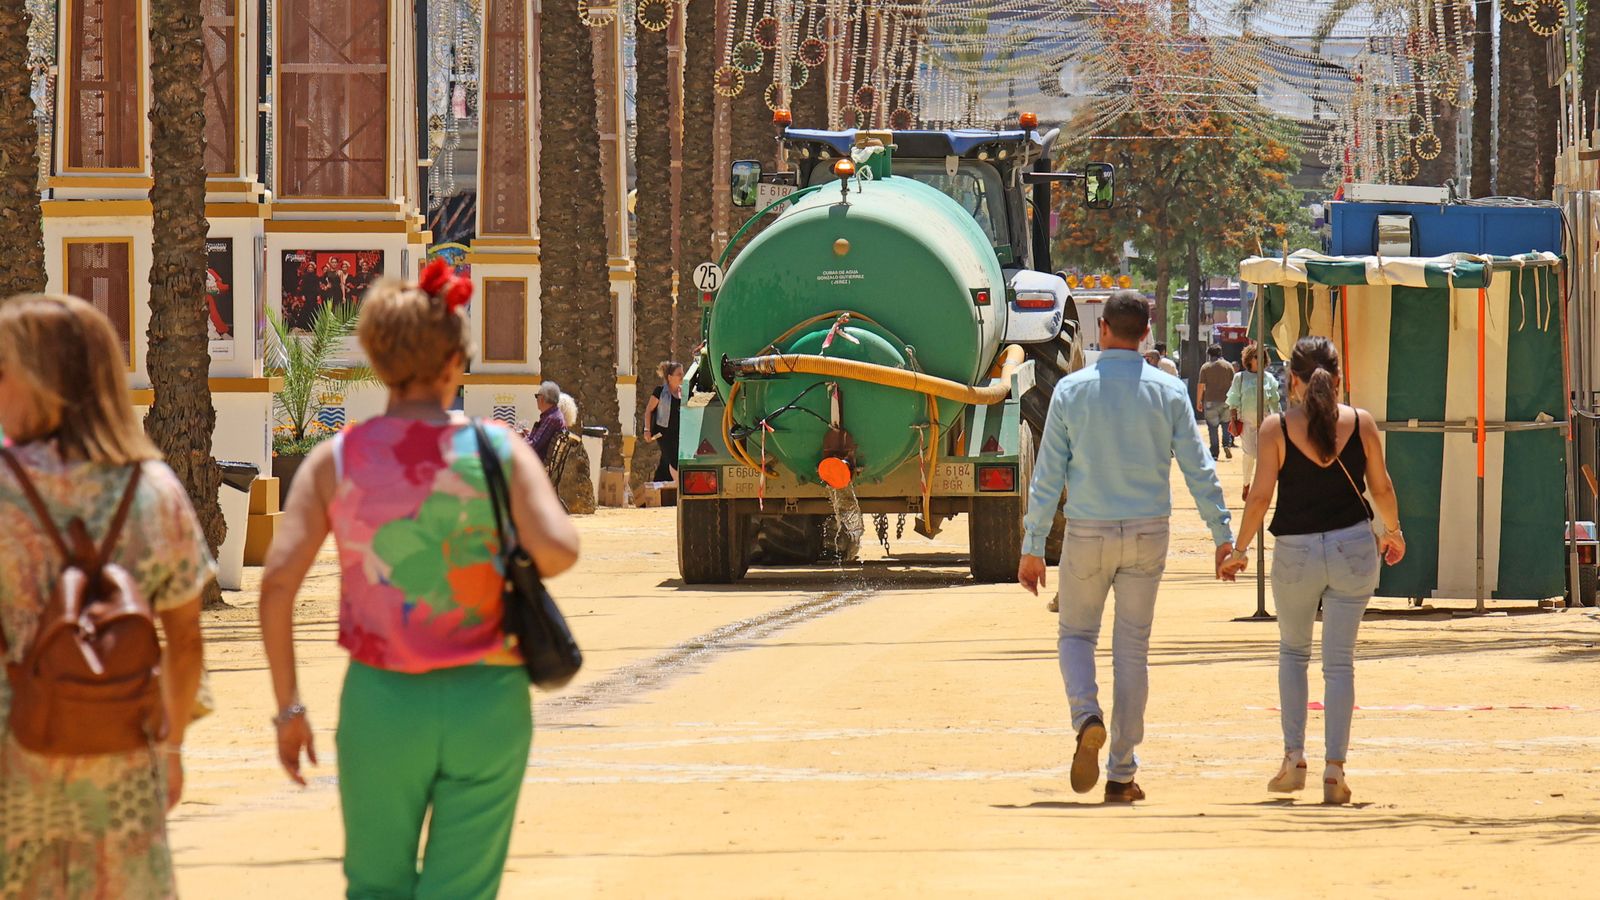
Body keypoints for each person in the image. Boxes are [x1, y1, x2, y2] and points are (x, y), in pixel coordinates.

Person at [259, 264, 580, 897]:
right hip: (488, 701)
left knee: (376, 887)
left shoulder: (337, 459)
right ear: (457, 361)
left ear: (377, 361)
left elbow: (276, 585)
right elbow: (559, 550)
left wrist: (290, 707)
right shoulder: (498, 451)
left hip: (382, 704)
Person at [0, 294, 211, 897]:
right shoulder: (155, 490)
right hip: (122, 766)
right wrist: (169, 749)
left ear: (44, 381)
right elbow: (187, 641)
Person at [1018, 290, 1237, 804]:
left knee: (1075, 635)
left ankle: (1085, 716)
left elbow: (1048, 474)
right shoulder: (1168, 390)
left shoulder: (1072, 390)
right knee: (1132, 649)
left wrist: (1032, 544)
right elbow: (1199, 468)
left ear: (1103, 331)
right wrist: (1221, 535)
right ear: (1145, 333)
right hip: (1147, 532)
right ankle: (1121, 773)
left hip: (1088, 530)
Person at [1223, 336, 1405, 806]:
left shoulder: (1275, 428)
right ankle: (1335, 769)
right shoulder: (1361, 423)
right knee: (1339, 663)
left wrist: (1239, 549)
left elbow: (1261, 497)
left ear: (1294, 382)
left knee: (1293, 654)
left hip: (1295, 553)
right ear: (1339, 380)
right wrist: (1393, 532)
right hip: (1352, 549)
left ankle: (1293, 758)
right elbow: (1381, 487)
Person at [1226, 343, 1283, 502]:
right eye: (1256, 356)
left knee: (1265, 457)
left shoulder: (1269, 378)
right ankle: (1246, 483)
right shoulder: (1240, 377)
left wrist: (1279, 422)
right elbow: (1233, 400)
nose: (1259, 359)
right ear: (1249, 359)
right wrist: (1233, 419)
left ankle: (1260, 487)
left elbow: (1274, 402)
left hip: (1266, 425)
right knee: (1250, 454)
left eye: (1261, 356)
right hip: (1247, 424)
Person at [643, 361, 684, 482]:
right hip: (663, 433)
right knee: (673, 459)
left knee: (665, 461)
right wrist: (647, 429)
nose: (682, 376)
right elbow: (649, 411)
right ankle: (678, 487)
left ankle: (658, 485)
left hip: (678, 433)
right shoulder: (660, 392)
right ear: (670, 377)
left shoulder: (683, 392)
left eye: (682, 373)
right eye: (679, 374)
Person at [1198, 345, 1236, 460]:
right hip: (1226, 400)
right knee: (1226, 425)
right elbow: (1234, 384)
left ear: (1209, 354)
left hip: (1210, 401)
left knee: (1212, 428)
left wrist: (1198, 401)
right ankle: (1226, 444)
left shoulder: (1205, 367)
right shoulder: (1229, 366)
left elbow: (1201, 386)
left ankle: (1214, 452)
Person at [527, 380, 568, 462]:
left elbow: (534, 446)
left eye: (537, 396)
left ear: (542, 398)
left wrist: (515, 443)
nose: (536, 399)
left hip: (538, 464)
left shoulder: (551, 418)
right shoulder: (553, 415)